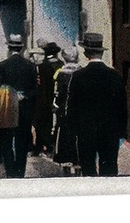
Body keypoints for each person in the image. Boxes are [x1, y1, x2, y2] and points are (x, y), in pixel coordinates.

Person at [66, 32, 127, 176]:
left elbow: (72, 106)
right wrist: (121, 130)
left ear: (86, 52)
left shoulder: (78, 76)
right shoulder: (114, 75)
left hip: (86, 130)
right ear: (101, 52)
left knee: (87, 168)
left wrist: (73, 128)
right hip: (109, 130)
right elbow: (122, 106)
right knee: (109, 168)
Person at [0, 34, 37, 178]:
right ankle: (20, 172)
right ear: (22, 48)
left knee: (6, 140)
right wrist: (23, 95)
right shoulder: (30, 66)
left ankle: (10, 171)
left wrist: (11, 95)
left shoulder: (2, 66)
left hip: (7, 109)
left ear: (9, 48)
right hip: (24, 109)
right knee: (22, 141)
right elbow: (35, 89)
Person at [52, 46, 81, 175]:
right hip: (79, 109)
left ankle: (66, 164)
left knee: (64, 136)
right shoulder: (81, 71)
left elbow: (57, 93)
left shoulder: (61, 73)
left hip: (64, 110)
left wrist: (56, 106)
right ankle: (79, 163)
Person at [32, 42, 63, 156]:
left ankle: (41, 145)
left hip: (43, 97)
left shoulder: (41, 65)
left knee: (43, 122)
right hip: (57, 97)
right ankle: (53, 144)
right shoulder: (61, 64)